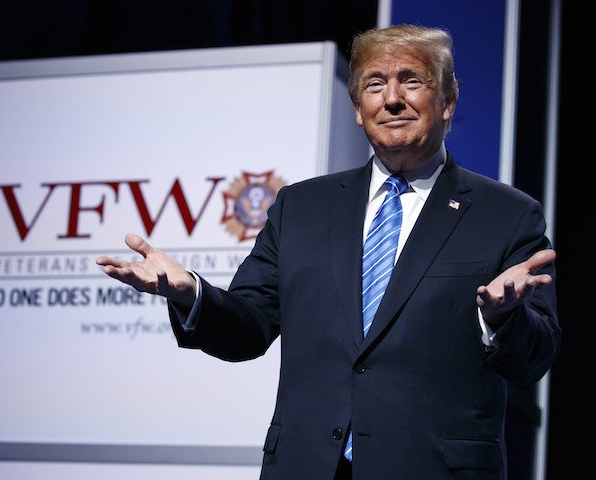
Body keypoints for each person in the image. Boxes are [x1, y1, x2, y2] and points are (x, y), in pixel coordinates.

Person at [96, 24, 560, 480]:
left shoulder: (506, 214)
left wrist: (502, 319)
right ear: (359, 109)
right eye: (375, 85)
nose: (392, 98)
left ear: (448, 102)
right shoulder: (301, 207)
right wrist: (190, 293)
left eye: (411, 81)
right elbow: (247, 329)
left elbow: (534, 360)